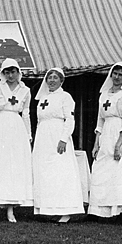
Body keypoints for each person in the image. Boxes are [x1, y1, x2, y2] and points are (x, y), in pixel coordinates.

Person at [88, 62, 122, 221]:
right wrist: (97, 141)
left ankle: (118, 213)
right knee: (100, 171)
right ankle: (97, 212)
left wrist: (119, 144)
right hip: (106, 135)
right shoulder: (103, 94)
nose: (117, 77)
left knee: (119, 174)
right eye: (115, 73)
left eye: (120, 74)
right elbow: (100, 119)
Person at [0, 58, 33, 224]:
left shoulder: (25, 90)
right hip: (1, 126)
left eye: (13, 72)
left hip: (17, 129)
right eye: (7, 72)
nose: (10, 75)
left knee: (13, 168)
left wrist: (28, 135)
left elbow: (26, 113)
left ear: (18, 72)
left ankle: (11, 209)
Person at [32, 67, 84, 224]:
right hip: (43, 139)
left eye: (55, 78)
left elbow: (70, 119)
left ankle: (66, 211)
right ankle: (49, 209)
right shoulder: (42, 98)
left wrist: (63, 139)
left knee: (60, 173)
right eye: (49, 77)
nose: (52, 80)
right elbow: (40, 121)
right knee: (45, 174)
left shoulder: (66, 97)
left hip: (57, 138)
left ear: (61, 81)